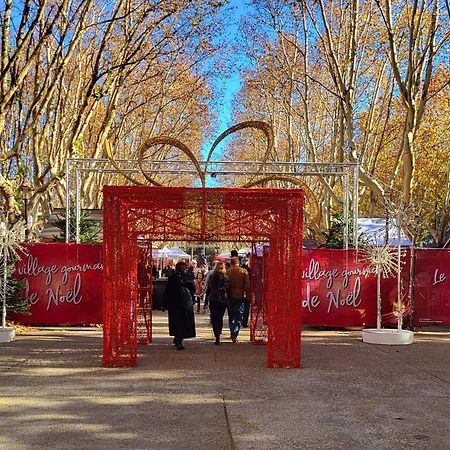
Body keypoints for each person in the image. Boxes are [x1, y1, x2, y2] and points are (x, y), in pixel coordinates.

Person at [163, 261, 196, 350]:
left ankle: (177, 337)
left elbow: (167, 291)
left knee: (176, 321)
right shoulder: (187, 278)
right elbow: (193, 289)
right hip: (184, 303)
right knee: (183, 322)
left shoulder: (172, 278)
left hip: (174, 303)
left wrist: (164, 303)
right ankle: (179, 339)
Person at [226, 257, 251, 343]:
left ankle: (232, 331)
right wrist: (248, 296)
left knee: (231, 314)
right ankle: (235, 332)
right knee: (238, 315)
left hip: (230, 296)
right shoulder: (243, 271)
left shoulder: (228, 271)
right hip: (240, 296)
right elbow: (247, 286)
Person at [206, 261, 229, 345]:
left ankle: (216, 333)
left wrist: (205, 302)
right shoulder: (226, 278)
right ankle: (218, 332)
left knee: (214, 317)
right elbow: (227, 289)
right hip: (222, 300)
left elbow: (208, 289)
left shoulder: (211, 277)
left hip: (213, 299)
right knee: (220, 317)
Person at [240, 257, 251, 328]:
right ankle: (244, 322)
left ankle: (240, 320)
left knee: (240, 307)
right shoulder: (250, 270)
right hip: (247, 292)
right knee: (246, 308)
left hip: (239, 292)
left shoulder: (239, 270)